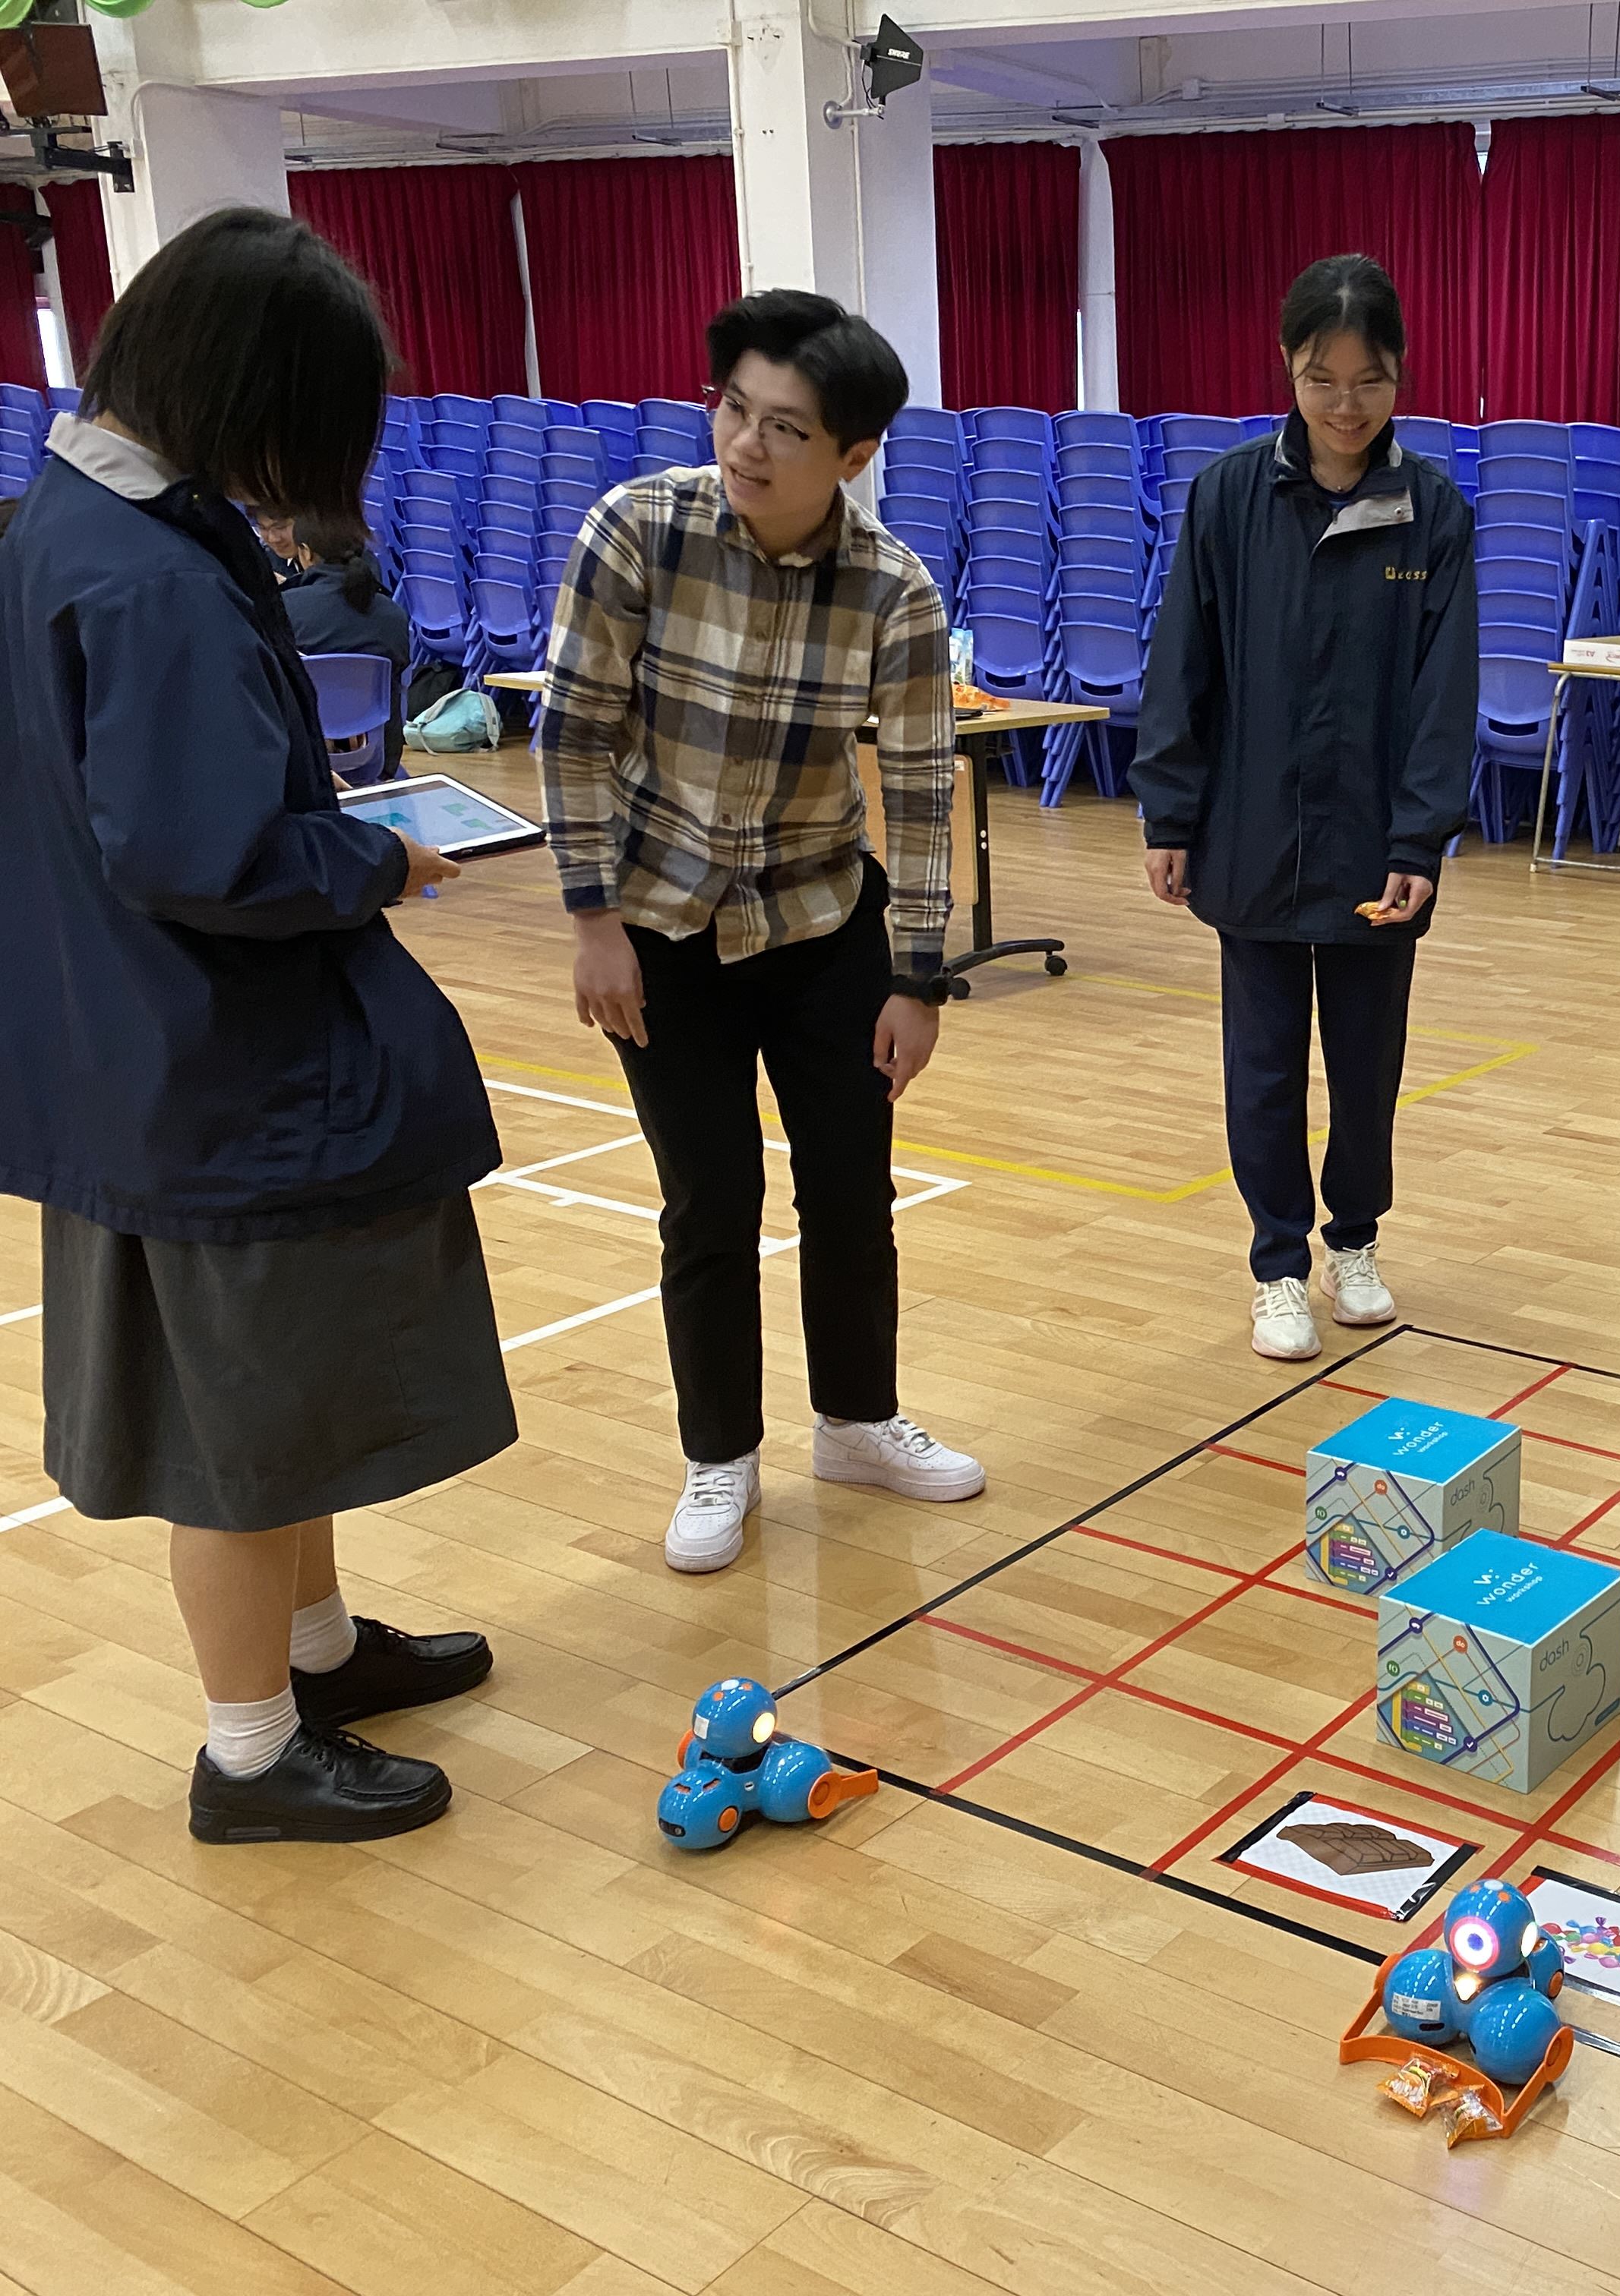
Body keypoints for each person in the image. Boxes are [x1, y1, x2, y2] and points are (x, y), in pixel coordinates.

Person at [0, 207, 512, 1844]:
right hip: (206, 1063)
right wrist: (375, 855)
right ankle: (250, 1752)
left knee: (278, 1394)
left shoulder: (78, 518)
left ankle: (317, 1655)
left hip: (145, 1043)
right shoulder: (146, 577)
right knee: (235, 1425)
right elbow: (204, 856)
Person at [538, 288, 985, 1575]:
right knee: (709, 1198)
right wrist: (594, 922)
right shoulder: (638, 529)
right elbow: (572, 732)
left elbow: (919, 791)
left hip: (818, 918)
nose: (746, 443)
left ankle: (855, 1421)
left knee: (850, 1188)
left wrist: (917, 980)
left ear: (853, 454)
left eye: (786, 428)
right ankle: (719, 1455)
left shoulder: (892, 589)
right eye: (734, 409)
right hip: (659, 927)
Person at [1131, 253, 1479, 1362]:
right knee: (1266, 1067)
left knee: (1367, 1067)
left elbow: (1445, 693)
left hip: (1376, 845)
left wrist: (1420, 836)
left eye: (1368, 379)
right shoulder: (1231, 494)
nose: (1344, 404)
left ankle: (1354, 1242)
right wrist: (1170, 813)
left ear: (1400, 375)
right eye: (1322, 378)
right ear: (1288, 368)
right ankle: (1279, 1265)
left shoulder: (1431, 511)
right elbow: (1183, 661)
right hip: (1250, 836)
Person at [281, 510, 414, 778]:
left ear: (306, 553)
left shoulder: (285, 608)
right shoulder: (394, 614)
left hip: (304, 767)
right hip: (377, 762)